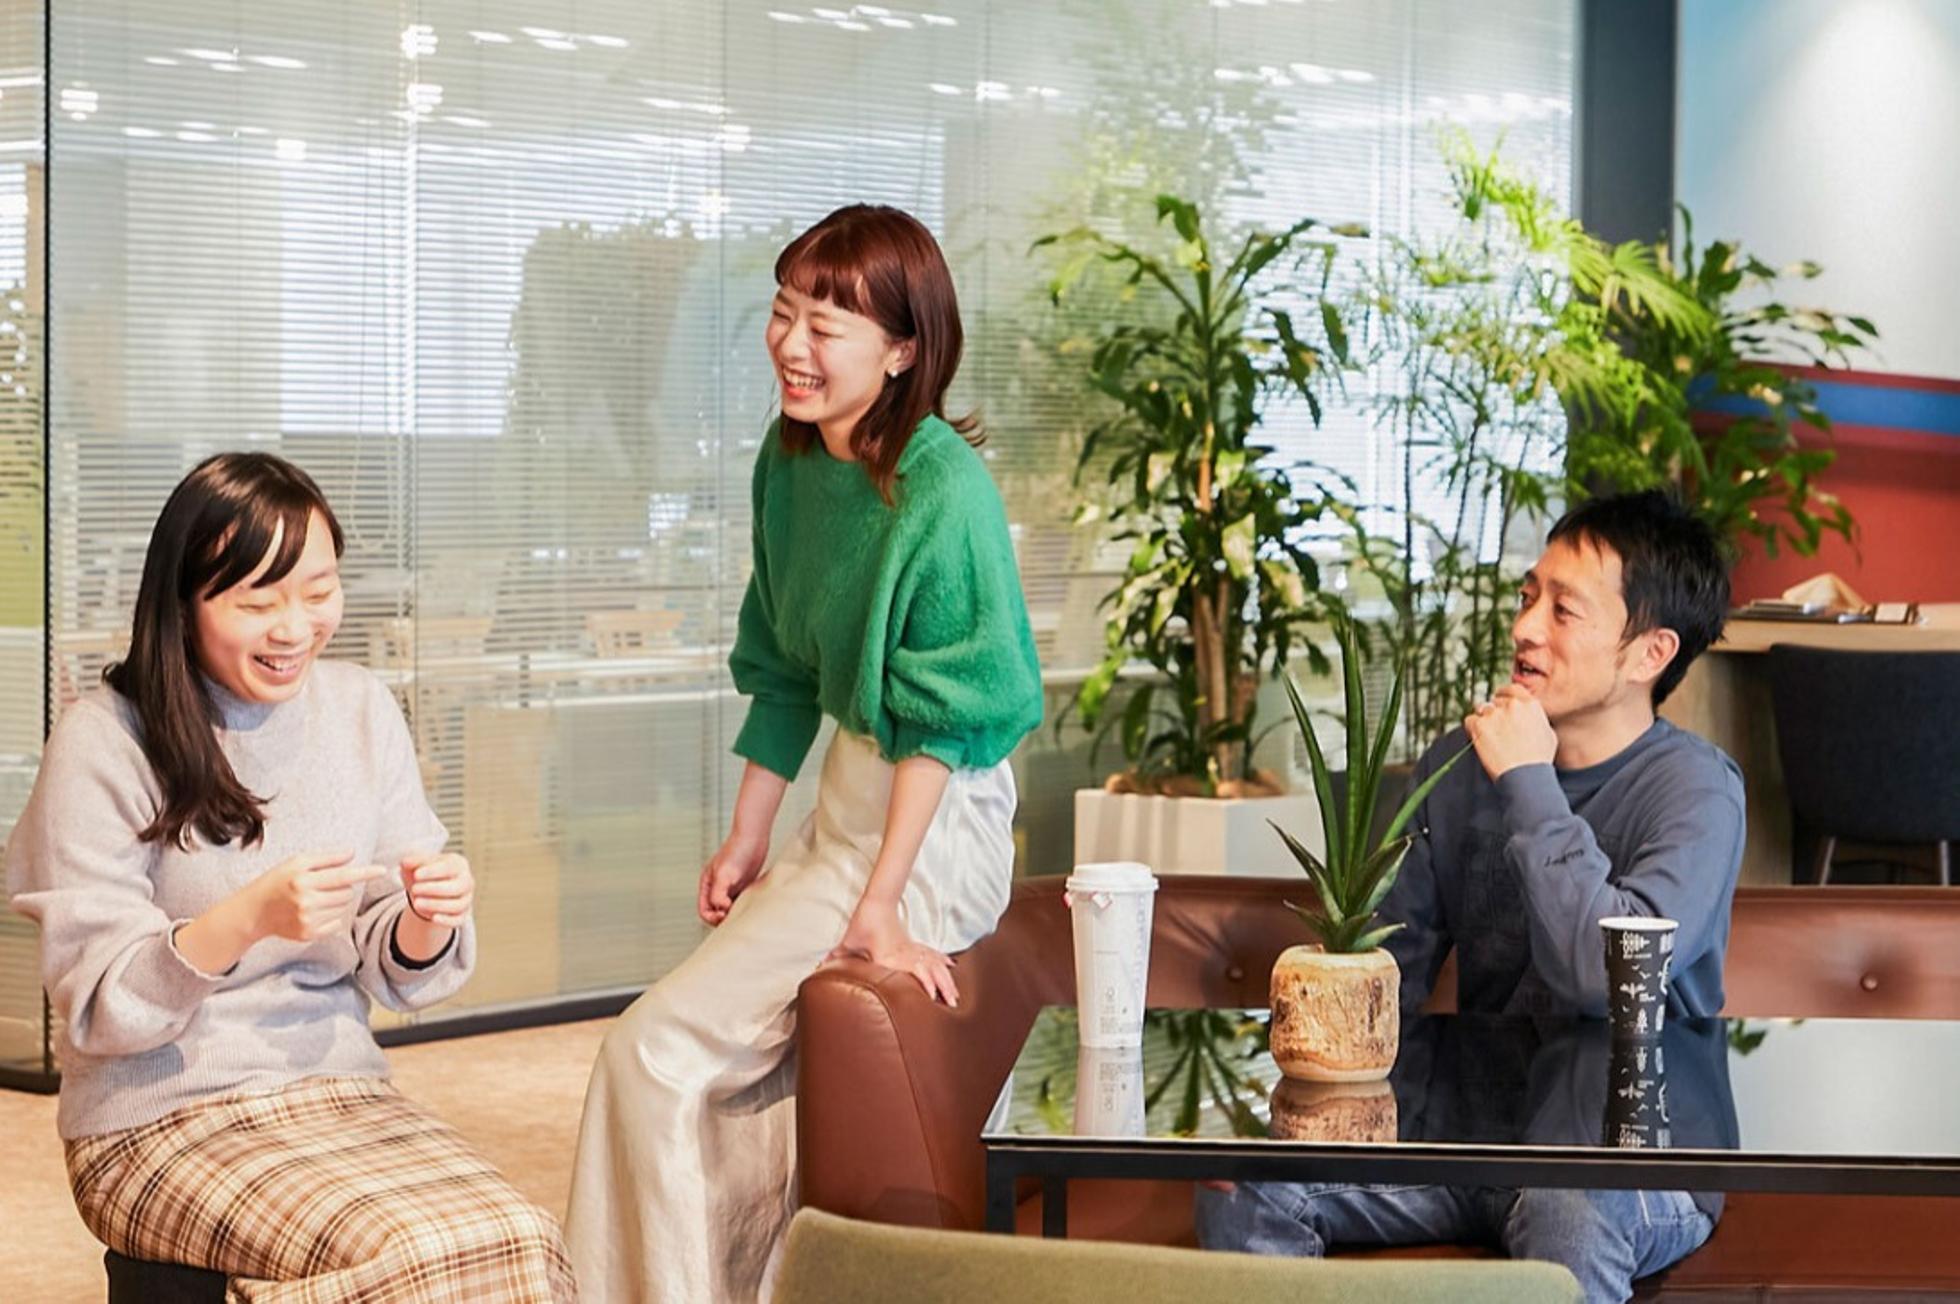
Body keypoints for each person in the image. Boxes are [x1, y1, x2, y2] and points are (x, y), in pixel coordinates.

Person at [565, 204, 1044, 1303]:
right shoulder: (789, 463)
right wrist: (748, 838)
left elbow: (939, 728)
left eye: (827, 326)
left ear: (903, 350)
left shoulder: (944, 492)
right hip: (844, 810)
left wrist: (881, 907)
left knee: (652, 1051)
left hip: (935, 823)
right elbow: (781, 666)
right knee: (723, 1073)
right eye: (785, 312)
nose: (792, 344)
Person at [6, 452, 576, 1302]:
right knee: (419, 1258)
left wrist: (427, 915)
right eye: (257, 601)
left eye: (319, 592)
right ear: (183, 604)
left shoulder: (360, 708)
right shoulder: (107, 738)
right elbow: (98, 1006)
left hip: (338, 1089)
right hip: (152, 1119)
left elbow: (398, 959)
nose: (296, 627)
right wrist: (248, 918)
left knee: (518, 1240)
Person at [1199, 489, 1745, 1304]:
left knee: (1570, 1209)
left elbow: (1607, 978)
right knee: (1248, 1187)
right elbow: (1391, 966)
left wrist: (1528, 779)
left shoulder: (1696, 791)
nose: (1525, 628)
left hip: (1631, 1159)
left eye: (1564, 611)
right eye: (1529, 597)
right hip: (1465, 1141)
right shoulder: (1460, 763)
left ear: (1648, 654)